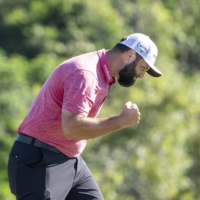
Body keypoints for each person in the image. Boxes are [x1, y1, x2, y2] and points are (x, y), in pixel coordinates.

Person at [7, 33, 162, 200]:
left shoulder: (102, 73)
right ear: (130, 55)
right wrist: (121, 121)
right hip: (39, 160)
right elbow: (72, 128)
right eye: (143, 67)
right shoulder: (85, 74)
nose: (141, 75)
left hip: (69, 160)